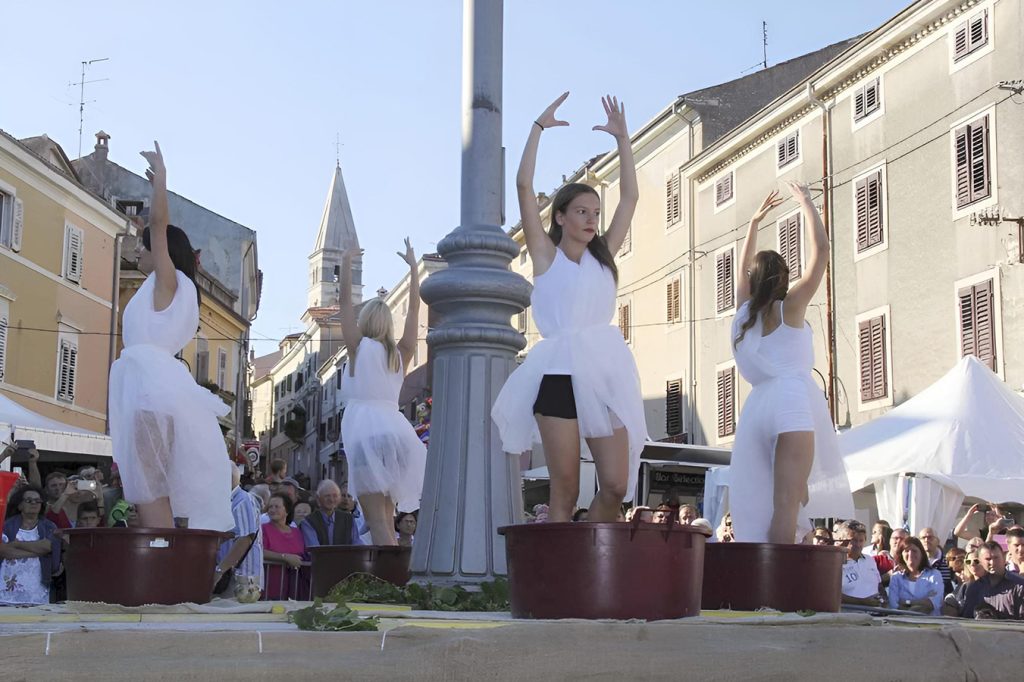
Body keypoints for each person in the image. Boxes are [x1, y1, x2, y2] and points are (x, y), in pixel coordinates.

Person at [492, 93, 646, 524]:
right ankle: (560, 581)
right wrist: (537, 128)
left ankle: (587, 557)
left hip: (604, 372)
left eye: (595, 211)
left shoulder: (604, 256)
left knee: (615, 484)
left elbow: (630, 198)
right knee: (565, 492)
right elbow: (523, 187)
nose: (591, 218)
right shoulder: (545, 255)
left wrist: (623, 140)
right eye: (581, 211)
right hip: (557, 373)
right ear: (559, 217)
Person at [108, 142, 232, 531]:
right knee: (151, 482)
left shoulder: (169, 282)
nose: (137, 250)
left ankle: (160, 554)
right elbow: (155, 231)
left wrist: (160, 184)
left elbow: (159, 227)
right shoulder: (170, 289)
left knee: (148, 484)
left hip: (151, 386)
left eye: (143, 246)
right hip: (158, 383)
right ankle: (163, 551)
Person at [728, 184, 854, 543]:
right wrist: (806, 203)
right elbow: (822, 252)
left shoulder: (742, 314)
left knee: (777, 498)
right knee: (786, 502)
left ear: (752, 280)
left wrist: (753, 224)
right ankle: (777, 593)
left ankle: (763, 580)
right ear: (783, 277)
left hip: (757, 407)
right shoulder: (791, 308)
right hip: (791, 402)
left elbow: (741, 270)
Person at [337, 239, 427, 546]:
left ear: (364, 322)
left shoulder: (357, 347)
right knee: (388, 521)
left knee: (377, 523)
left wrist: (347, 263)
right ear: (388, 323)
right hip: (399, 435)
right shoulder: (401, 353)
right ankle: (397, 581)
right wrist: (415, 271)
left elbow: (344, 303)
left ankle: (390, 587)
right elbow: (415, 309)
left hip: (366, 435)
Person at [1, 486, 60, 605]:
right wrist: (37, 551)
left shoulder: (49, 526)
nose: (34, 503)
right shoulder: (6, 525)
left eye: (37, 501)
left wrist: (16, 544)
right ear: (20, 505)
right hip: (6, 592)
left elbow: (47, 547)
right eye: (29, 500)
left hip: (37, 591)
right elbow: (4, 551)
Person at [958, 541, 1024, 619]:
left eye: (996, 558)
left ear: (1003, 558)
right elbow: (967, 618)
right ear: (980, 561)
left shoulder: (1019, 585)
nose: (992, 562)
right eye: (988, 559)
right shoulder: (973, 587)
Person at [261, 493, 306, 600]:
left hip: (294, 584)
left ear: (287, 510)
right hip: (271, 583)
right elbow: (260, 551)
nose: (272, 510)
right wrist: (285, 557)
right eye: (270, 507)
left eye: (277, 506)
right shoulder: (263, 529)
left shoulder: (297, 532)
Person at [835, 520, 886, 608]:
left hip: (875, 614)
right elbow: (832, 595)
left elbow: (879, 586)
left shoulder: (870, 560)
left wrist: (883, 600)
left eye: (861, 540)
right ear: (841, 540)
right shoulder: (834, 564)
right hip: (849, 615)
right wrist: (862, 602)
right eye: (853, 541)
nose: (858, 545)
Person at [888, 536, 944, 615]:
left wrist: (906, 602)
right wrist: (921, 603)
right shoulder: (896, 578)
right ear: (901, 555)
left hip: (930, 623)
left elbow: (934, 602)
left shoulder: (934, 575)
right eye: (906, 551)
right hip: (901, 624)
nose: (910, 554)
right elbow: (894, 605)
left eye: (914, 551)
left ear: (922, 554)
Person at [299, 480, 362, 548]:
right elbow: (315, 550)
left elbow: (357, 545)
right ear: (318, 498)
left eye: (335, 496)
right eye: (327, 496)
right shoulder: (308, 522)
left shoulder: (349, 519)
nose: (331, 500)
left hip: (347, 558)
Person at [943, 549, 986, 616]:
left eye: (976, 561)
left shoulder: (993, 583)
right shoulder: (965, 586)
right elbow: (952, 600)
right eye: (968, 562)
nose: (972, 564)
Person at [918, 527, 953, 595]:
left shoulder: (949, 561)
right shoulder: (915, 562)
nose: (926, 540)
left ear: (938, 541)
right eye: (923, 537)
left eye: (930, 537)